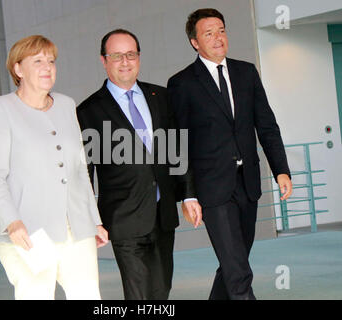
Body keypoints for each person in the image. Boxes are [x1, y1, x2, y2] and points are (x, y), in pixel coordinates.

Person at [167, 9, 293, 300]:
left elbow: (266, 125)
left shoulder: (246, 72)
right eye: (208, 33)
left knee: (233, 262)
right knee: (238, 270)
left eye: (221, 30)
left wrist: (281, 170)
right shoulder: (182, 83)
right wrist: (187, 195)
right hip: (212, 188)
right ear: (194, 42)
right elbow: (178, 142)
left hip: (247, 183)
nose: (218, 38)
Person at [0, 35, 108, 300]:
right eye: (37, 61)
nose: (47, 67)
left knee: (88, 296)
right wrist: (12, 222)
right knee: (36, 295)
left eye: (51, 61)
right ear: (18, 69)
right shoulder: (0, 109)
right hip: (28, 231)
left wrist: (94, 220)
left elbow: (79, 169)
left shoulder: (66, 104)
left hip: (77, 227)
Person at [77, 29, 201, 300]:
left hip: (163, 213)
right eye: (117, 55)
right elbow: (85, 172)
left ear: (139, 58)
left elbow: (176, 149)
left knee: (161, 291)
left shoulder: (161, 96)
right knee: (139, 295)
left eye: (131, 54)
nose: (125, 61)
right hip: (123, 218)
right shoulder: (88, 111)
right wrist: (90, 219)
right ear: (103, 60)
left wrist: (188, 194)